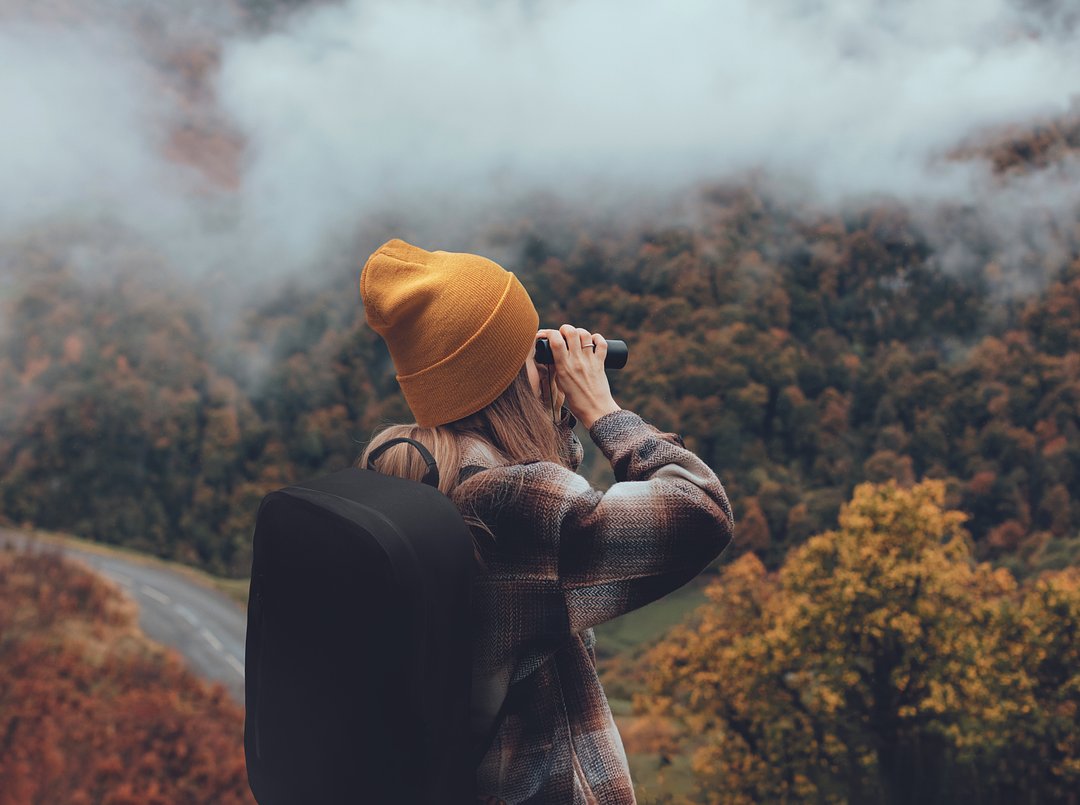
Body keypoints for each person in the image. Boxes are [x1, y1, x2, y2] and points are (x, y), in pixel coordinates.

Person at [359, 238, 734, 804]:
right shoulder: (513, 507)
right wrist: (601, 412)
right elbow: (702, 510)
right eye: (529, 352)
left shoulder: (404, 474)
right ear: (504, 375)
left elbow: (543, 487)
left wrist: (545, 416)